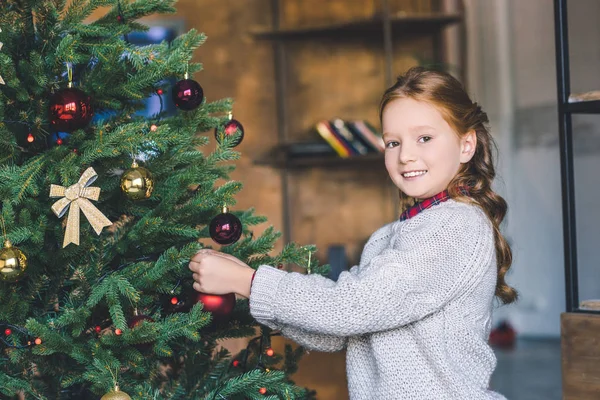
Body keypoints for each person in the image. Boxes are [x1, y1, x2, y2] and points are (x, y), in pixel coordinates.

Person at [189, 66, 518, 399]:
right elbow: (338, 333)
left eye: (424, 138)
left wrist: (246, 280)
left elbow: (351, 308)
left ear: (467, 145)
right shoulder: (391, 236)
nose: (405, 155)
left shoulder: (456, 226)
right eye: (393, 142)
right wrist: (247, 290)